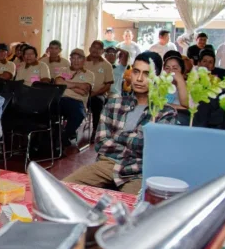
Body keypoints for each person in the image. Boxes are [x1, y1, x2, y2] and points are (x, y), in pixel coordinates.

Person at [64, 52, 177, 194]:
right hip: (108, 164)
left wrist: (118, 136)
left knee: (127, 210)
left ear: (158, 78)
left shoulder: (166, 113)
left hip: (138, 171)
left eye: (147, 74)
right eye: (136, 72)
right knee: (60, 190)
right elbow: (100, 142)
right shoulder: (114, 103)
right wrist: (136, 141)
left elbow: (153, 151)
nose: (140, 79)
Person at [56, 48, 96, 150]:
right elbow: (58, 82)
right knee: (48, 111)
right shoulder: (63, 70)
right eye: (73, 58)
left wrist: (67, 85)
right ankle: (51, 137)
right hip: (60, 99)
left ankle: (63, 137)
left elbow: (85, 89)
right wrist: (77, 87)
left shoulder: (89, 74)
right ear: (70, 59)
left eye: (79, 58)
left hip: (77, 101)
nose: (76, 61)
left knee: (78, 114)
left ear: (84, 60)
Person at [84, 40, 114, 133]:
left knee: (97, 103)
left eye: (99, 48)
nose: (95, 50)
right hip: (80, 93)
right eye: (94, 47)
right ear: (89, 49)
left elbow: (108, 85)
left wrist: (94, 94)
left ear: (102, 51)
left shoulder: (107, 65)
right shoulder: (82, 61)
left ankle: (95, 131)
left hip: (98, 94)